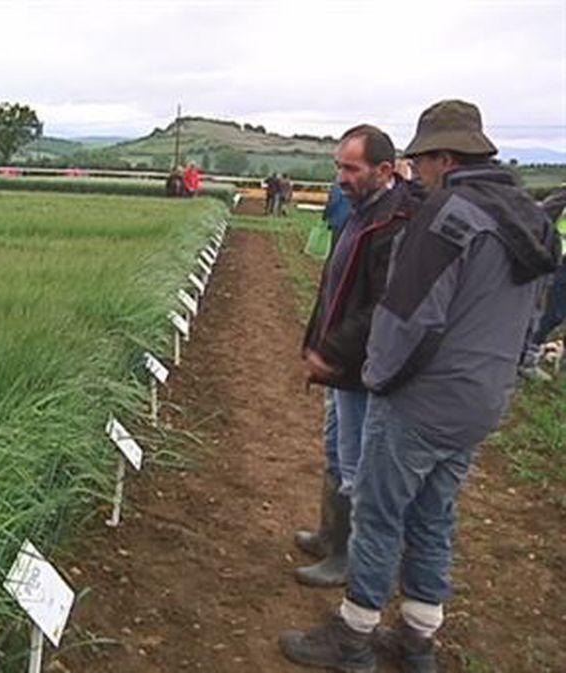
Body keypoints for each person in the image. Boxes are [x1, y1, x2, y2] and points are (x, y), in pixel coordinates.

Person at [280, 100, 560, 673]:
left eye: (424, 161)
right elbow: (536, 314)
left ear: (445, 158)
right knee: (434, 518)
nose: (422, 172)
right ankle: (416, 642)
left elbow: (408, 315)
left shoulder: (447, 214)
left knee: (381, 516)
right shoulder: (528, 218)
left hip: (422, 400)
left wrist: (378, 378)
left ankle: (353, 638)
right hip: (482, 400)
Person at [295, 125, 419, 588]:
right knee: (336, 450)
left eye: (351, 167)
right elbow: (338, 285)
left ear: (383, 170)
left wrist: (332, 349)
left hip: (361, 368)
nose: (341, 177)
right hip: (343, 364)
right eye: (338, 166)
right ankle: (331, 535)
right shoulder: (363, 211)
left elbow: (383, 305)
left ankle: (346, 558)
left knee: (356, 464)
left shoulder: (394, 221)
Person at [519, 187, 566, 381]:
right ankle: (526, 358)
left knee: (554, 313)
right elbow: (543, 217)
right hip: (561, 262)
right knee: (550, 313)